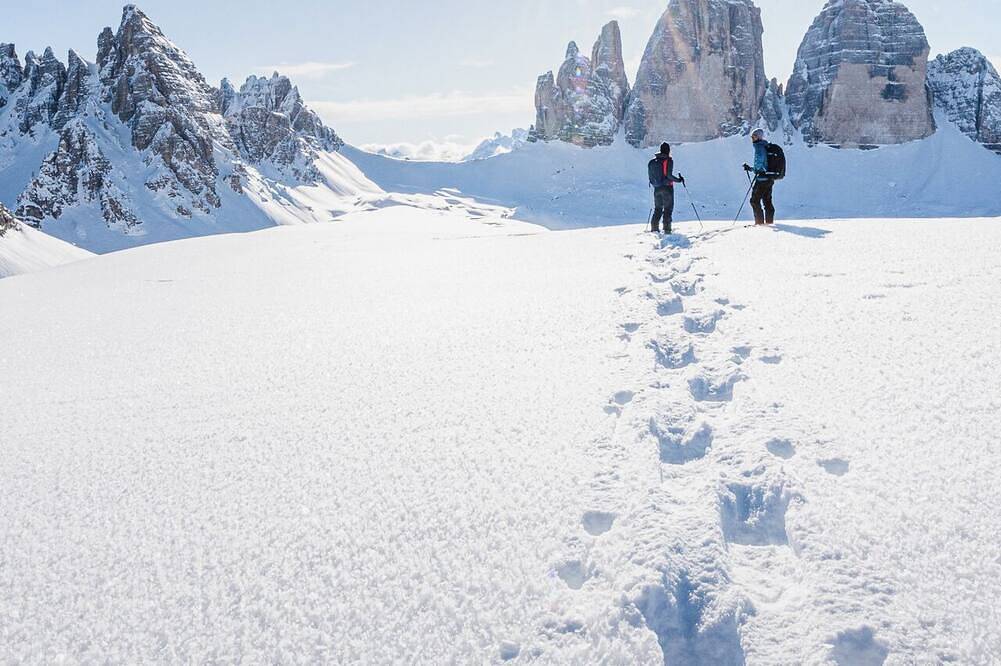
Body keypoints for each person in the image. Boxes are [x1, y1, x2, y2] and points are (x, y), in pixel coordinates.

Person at [647, 142, 685, 234]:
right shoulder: (668, 160)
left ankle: (654, 229)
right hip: (667, 188)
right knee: (668, 209)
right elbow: (669, 175)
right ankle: (667, 230)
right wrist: (679, 180)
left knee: (658, 209)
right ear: (668, 150)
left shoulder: (653, 161)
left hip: (657, 188)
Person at [743, 128, 775, 225]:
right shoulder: (765, 146)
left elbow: (759, 163)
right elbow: (763, 164)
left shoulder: (759, 147)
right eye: (752, 137)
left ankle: (759, 224)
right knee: (767, 200)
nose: (752, 138)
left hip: (762, 180)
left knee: (754, 201)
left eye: (754, 136)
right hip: (769, 178)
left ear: (759, 137)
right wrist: (752, 169)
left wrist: (753, 169)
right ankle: (769, 222)